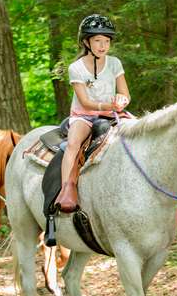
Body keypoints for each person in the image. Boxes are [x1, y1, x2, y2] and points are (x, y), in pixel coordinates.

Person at [54, 14, 130, 213]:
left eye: (107, 41)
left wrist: (122, 100)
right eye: (98, 40)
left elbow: (124, 93)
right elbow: (86, 101)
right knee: (72, 144)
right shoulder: (76, 68)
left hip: (112, 115)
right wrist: (109, 106)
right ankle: (67, 188)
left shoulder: (114, 63)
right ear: (87, 42)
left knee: (140, 132)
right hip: (84, 116)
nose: (103, 45)